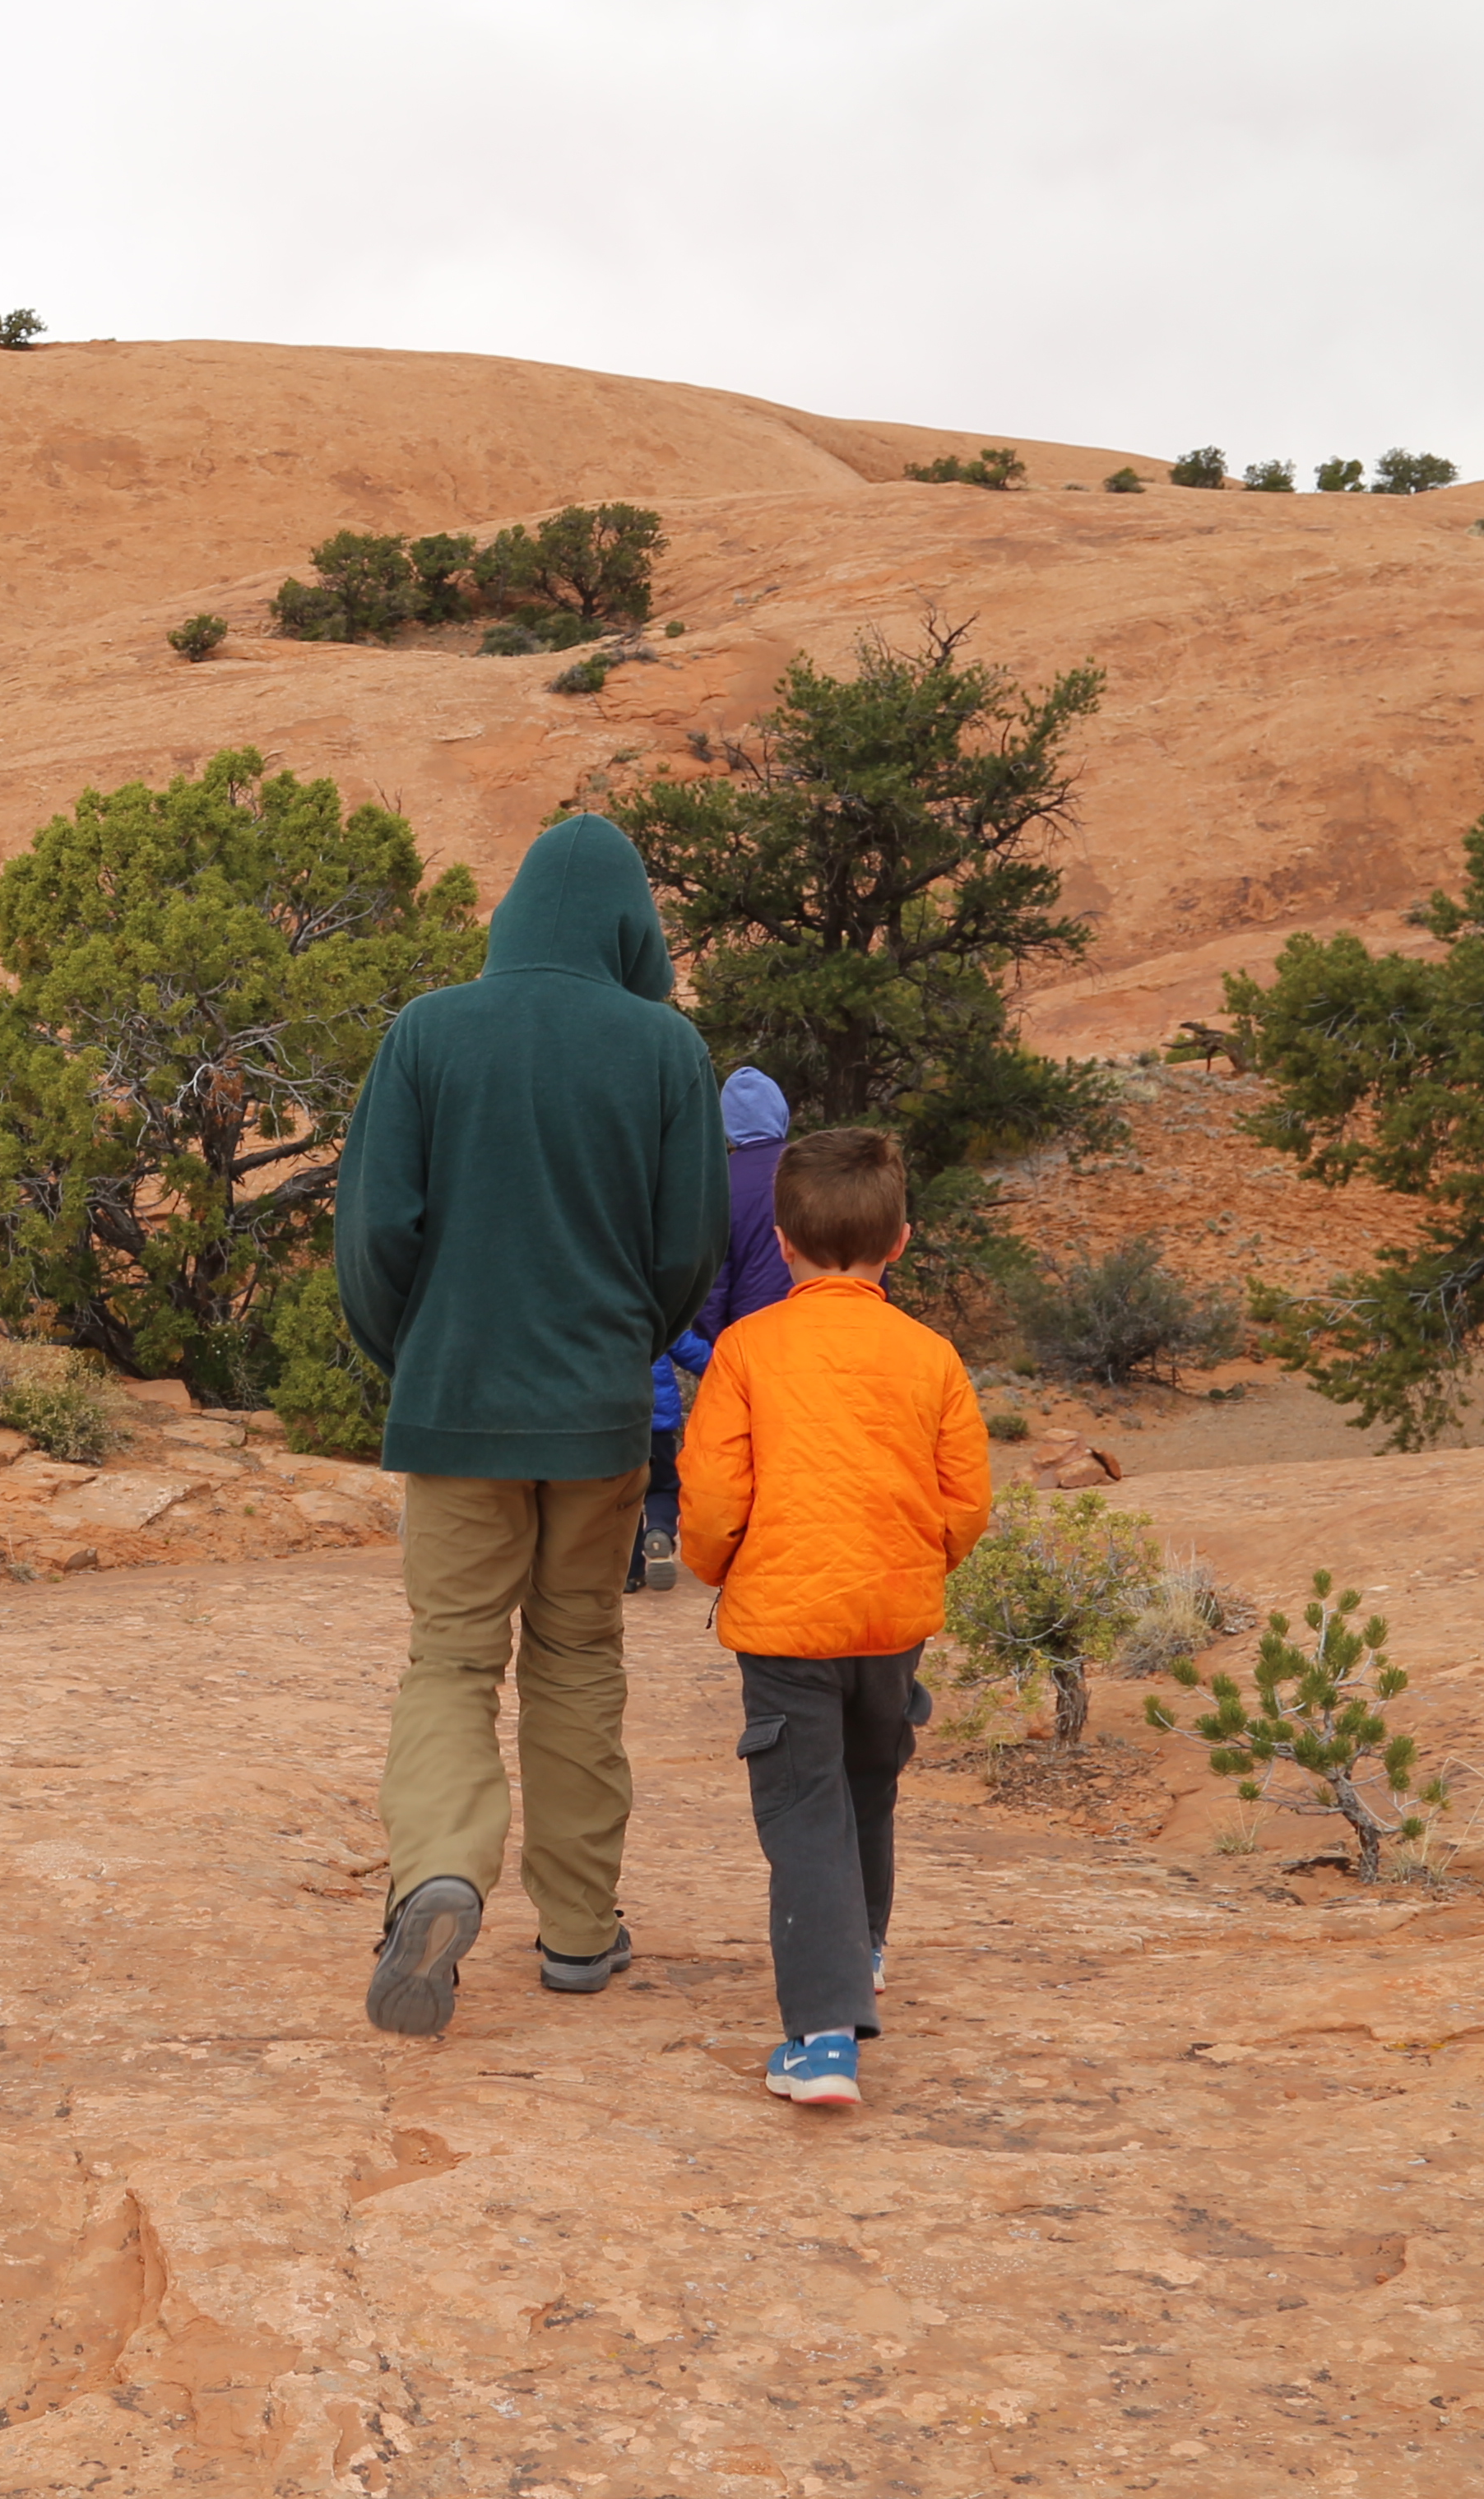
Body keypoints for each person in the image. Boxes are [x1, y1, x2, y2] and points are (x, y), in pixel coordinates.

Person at [333, 814, 726, 2038]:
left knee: (453, 1656)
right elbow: (686, 1253)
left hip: (456, 1408)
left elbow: (374, 1235)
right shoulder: (666, 1049)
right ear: (630, 927)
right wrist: (622, 1350)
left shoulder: (427, 1033)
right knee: (577, 1658)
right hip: (600, 1420)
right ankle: (576, 1932)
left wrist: (421, 1357)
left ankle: (441, 1872)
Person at [677, 1124, 992, 2109]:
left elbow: (716, 1498)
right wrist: (917, 1558)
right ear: (900, 1240)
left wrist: (716, 1566)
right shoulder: (930, 1356)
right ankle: (864, 1946)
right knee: (869, 1781)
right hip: (893, 1617)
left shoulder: (746, 1351)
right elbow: (967, 1495)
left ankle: (823, 2040)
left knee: (804, 1809)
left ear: (780, 1240)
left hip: (785, 1623)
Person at [630, 1065, 794, 1595]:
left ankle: (741, 1547)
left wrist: (711, 1341)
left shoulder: (717, 1184)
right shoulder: (809, 1172)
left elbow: (712, 1274)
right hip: (814, 1329)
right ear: (781, 1114)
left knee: (742, 1450)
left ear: (725, 1127)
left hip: (743, 1340)